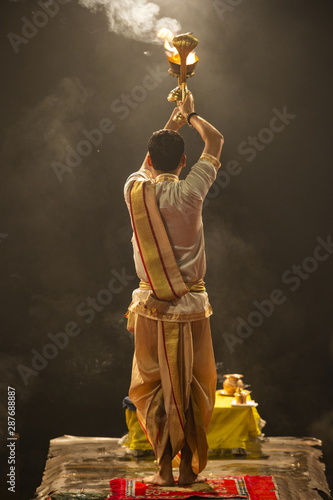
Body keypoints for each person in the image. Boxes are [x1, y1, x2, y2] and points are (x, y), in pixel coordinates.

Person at [124, 92, 224, 486]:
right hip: (192, 306)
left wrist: (171, 123)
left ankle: (163, 468)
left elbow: (150, 161)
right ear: (185, 162)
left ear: (148, 162)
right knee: (193, 385)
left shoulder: (135, 190)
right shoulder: (191, 190)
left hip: (150, 306)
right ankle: (186, 469)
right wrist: (192, 114)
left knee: (154, 385)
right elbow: (215, 142)